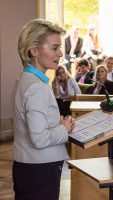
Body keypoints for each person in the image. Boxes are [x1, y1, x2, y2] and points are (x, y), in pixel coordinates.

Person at [13, 19, 75, 200]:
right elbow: (39, 139)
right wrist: (64, 128)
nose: (61, 53)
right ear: (34, 51)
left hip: (31, 166)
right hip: (39, 169)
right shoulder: (36, 87)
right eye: (54, 48)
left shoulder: (25, 78)